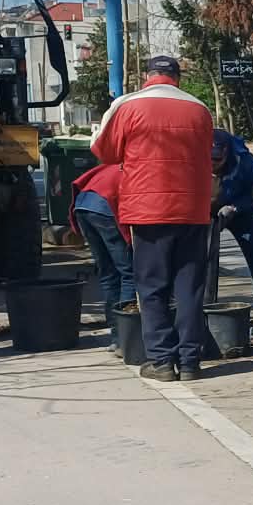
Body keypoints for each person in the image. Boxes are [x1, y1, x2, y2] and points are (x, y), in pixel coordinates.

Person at [89, 54, 214, 382]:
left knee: (152, 286)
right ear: (178, 78)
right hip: (193, 210)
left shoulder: (129, 105)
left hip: (148, 212)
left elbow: (105, 152)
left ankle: (161, 361)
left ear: (147, 76)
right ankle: (189, 362)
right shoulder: (200, 109)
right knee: (190, 287)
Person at [70, 158, 133, 350]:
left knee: (108, 274)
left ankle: (116, 338)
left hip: (83, 206)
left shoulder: (115, 166)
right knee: (129, 273)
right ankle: (127, 338)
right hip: (104, 208)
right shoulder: (134, 170)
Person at [210, 128, 253, 302]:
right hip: (206, 212)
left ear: (227, 151)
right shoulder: (193, 158)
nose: (213, 164)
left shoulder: (245, 161)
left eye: (217, 159)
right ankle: (205, 307)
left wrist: (235, 208)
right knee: (204, 260)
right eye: (209, 159)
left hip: (240, 212)